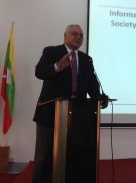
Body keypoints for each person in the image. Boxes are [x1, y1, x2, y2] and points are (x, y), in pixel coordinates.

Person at [32, 24, 108, 183]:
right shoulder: (52, 51)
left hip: (76, 117)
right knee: (44, 157)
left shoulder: (86, 59)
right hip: (49, 113)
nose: (78, 37)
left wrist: (99, 96)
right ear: (64, 35)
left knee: (73, 156)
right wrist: (57, 66)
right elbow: (39, 72)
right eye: (74, 34)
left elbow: (92, 83)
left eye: (81, 35)